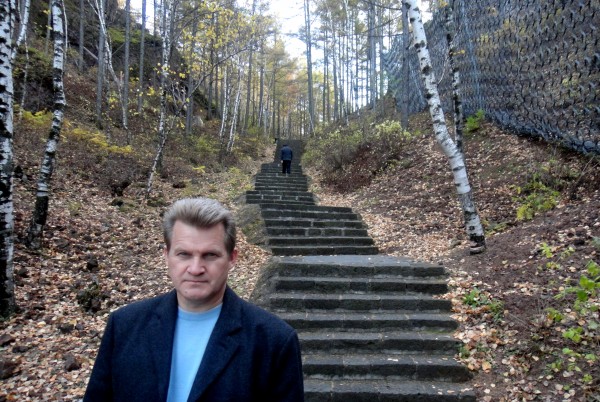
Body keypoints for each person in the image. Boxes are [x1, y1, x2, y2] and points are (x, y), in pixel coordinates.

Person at [83, 197, 304, 402]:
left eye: (210, 255)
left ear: (231, 259)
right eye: (184, 254)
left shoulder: (274, 341)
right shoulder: (124, 326)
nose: (196, 269)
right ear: (167, 256)